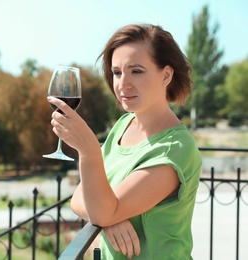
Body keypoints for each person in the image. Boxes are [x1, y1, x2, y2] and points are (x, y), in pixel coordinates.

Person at [47, 23, 202, 259]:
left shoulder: (176, 148)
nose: (122, 84)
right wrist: (109, 218)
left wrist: (88, 151)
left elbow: (101, 207)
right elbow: (80, 198)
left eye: (136, 71)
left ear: (166, 75)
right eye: (117, 72)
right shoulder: (123, 125)